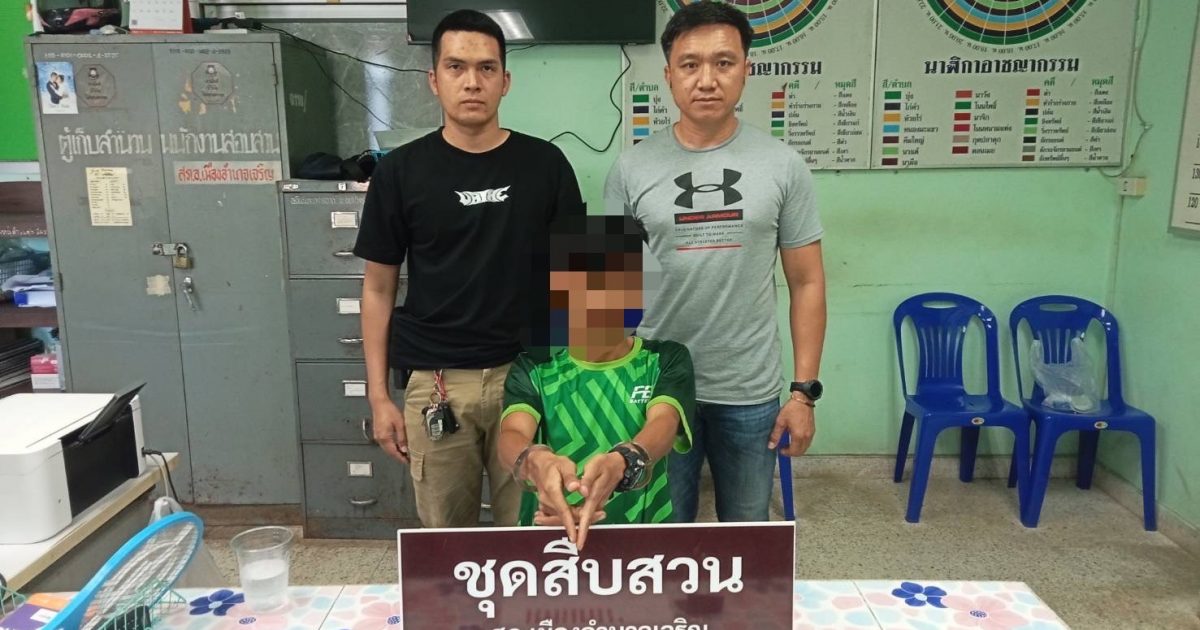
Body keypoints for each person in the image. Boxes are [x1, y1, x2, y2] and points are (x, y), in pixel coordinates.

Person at [354, 9, 585, 528]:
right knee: (446, 542)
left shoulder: (546, 166)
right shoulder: (400, 172)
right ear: (434, 80)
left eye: (486, 68)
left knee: (530, 533)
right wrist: (379, 396)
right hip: (437, 383)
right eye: (456, 67)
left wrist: (576, 384)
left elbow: (579, 281)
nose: (472, 82)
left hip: (529, 380)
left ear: (506, 80)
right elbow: (378, 289)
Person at [603, 1, 827, 523]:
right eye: (690, 64)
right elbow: (610, 289)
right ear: (668, 75)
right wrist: (611, 389)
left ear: (746, 69)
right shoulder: (631, 169)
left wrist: (804, 394)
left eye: (723, 62)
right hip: (658, 387)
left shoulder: (784, 166)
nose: (706, 80)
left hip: (749, 390)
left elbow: (808, 282)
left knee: (747, 533)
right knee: (662, 534)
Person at [498, 215, 695, 550]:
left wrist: (626, 459)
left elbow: (664, 422)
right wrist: (534, 461)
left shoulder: (665, 358)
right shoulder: (535, 367)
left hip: (643, 541)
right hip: (549, 537)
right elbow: (513, 434)